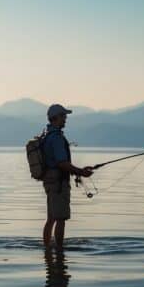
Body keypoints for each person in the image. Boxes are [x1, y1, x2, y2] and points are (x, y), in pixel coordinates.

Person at [41, 104, 93, 252]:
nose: (65, 119)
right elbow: (62, 163)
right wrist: (81, 172)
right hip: (58, 184)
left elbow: (60, 163)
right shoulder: (56, 138)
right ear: (55, 118)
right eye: (63, 116)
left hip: (51, 182)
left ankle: (47, 248)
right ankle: (59, 250)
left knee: (51, 218)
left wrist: (79, 171)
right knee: (61, 219)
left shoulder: (48, 135)